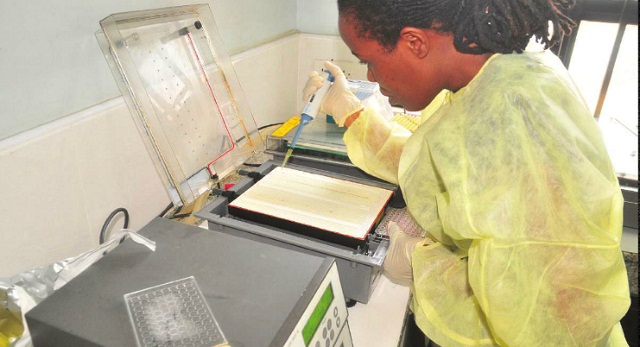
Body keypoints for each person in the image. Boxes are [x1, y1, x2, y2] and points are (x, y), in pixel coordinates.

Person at [302, 0, 631, 346]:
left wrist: (423, 267)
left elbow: (541, 321)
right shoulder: (500, 71)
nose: (370, 76)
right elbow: (432, 163)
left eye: (369, 61)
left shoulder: (511, 115)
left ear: (415, 42)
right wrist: (351, 112)